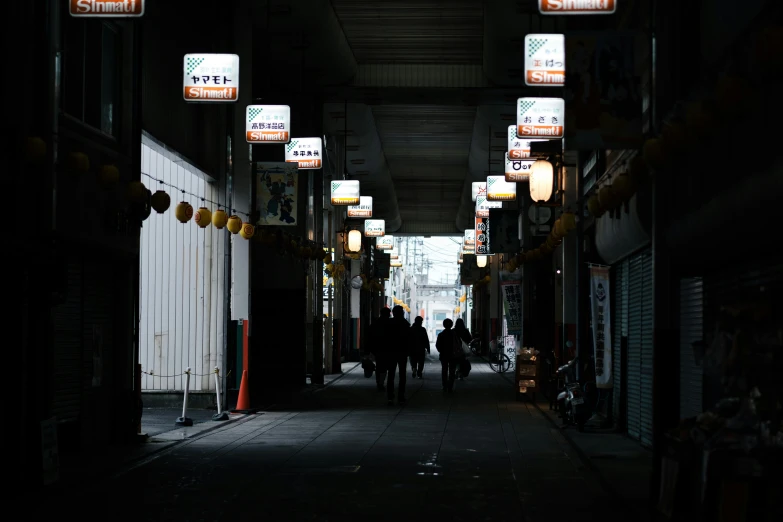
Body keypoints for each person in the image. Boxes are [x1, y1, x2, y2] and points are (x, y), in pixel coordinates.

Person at [385, 305, 411, 405]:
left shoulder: (389, 323)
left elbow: (385, 338)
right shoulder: (405, 324)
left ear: (393, 313)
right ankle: (401, 396)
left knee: (391, 374)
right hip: (402, 352)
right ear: (402, 313)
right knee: (402, 375)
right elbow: (409, 339)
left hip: (391, 352)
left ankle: (390, 396)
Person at [367, 307, 391, 391]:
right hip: (388, 349)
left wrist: (369, 349)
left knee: (379, 366)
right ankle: (381, 382)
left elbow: (369, 336)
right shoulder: (390, 323)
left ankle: (379, 382)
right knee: (385, 367)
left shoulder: (375, 323)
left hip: (377, 349)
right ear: (388, 314)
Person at [436, 318, 459, 393]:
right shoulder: (454, 334)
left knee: (444, 370)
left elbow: (438, 345)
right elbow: (459, 344)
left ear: (444, 325)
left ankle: (444, 386)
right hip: (453, 355)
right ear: (452, 325)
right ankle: (450, 387)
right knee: (452, 371)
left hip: (444, 355)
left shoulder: (441, 334)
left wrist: (441, 351)